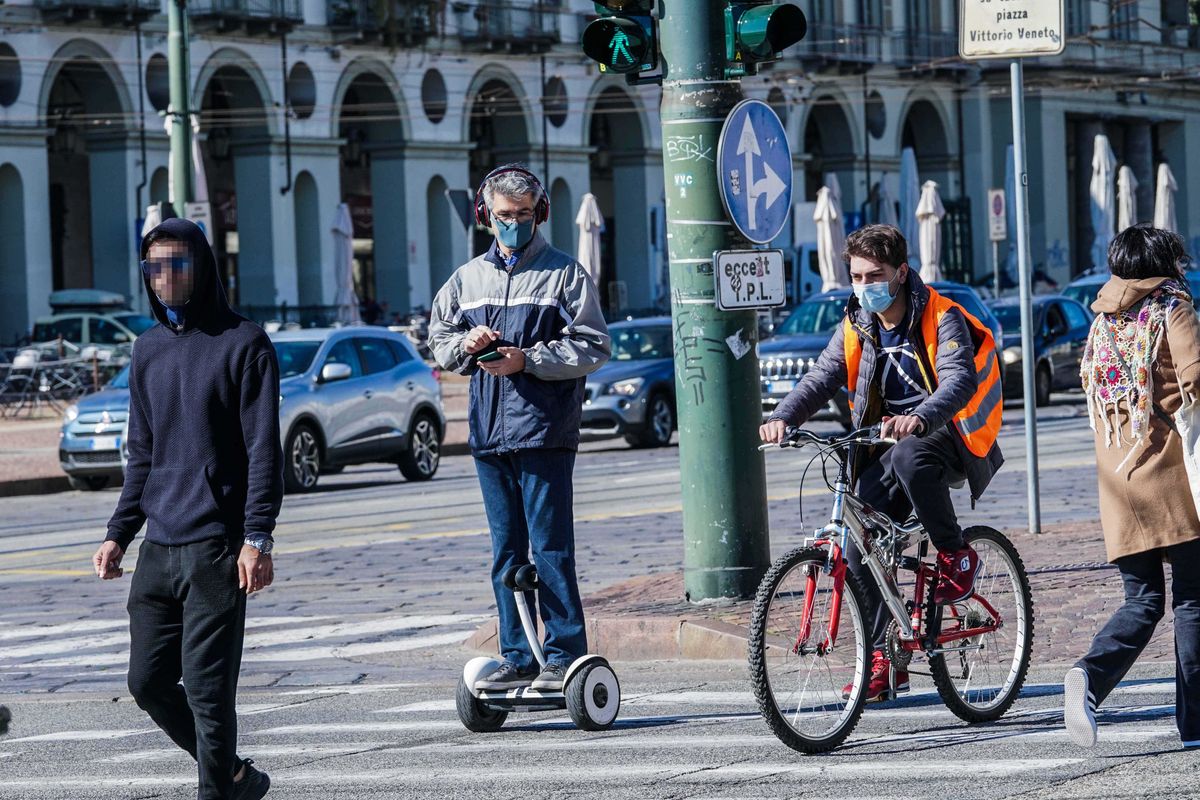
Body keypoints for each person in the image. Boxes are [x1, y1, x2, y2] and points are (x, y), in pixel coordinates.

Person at [760, 224, 1004, 702]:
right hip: (884, 444)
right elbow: (821, 377)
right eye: (856, 276)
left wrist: (919, 416)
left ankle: (956, 554)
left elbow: (958, 382)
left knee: (911, 454)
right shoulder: (855, 323)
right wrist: (782, 417)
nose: (864, 285)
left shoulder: (942, 316)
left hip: (945, 436)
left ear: (901, 273)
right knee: (857, 546)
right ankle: (883, 661)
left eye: (875, 275)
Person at [91, 218, 283, 800]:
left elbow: (262, 449)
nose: (166, 278)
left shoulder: (244, 343)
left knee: (207, 689)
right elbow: (141, 452)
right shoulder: (146, 350)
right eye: (155, 267)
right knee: (146, 682)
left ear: (201, 267)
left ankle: (214, 791)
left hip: (216, 548)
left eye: (178, 264)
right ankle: (232, 776)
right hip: (159, 548)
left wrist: (258, 538)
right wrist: (119, 533)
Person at [428, 165, 610, 692]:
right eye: (505, 216)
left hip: (545, 431)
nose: (514, 224)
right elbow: (438, 338)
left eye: (524, 215)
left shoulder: (565, 274)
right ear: (486, 216)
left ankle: (563, 653)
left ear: (540, 214)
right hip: (489, 435)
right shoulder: (465, 280)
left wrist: (525, 359)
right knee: (506, 552)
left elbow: (594, 344)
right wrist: (465, 345)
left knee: (551, 548)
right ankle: (516, 653)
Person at [1066, 225, 1200, 749]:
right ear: (1165, 262)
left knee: (1142, 599)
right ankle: (1194, 725)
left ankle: (1090, 675)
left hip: (1118, 488)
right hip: (1172, 482)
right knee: (1191, 601)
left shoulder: (1103, 321)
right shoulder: (1172, 309)